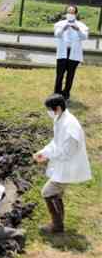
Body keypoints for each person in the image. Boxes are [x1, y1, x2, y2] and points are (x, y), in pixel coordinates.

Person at [32, 93, 92, 234]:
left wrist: (47, 156)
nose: (49, 113)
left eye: (49, 110)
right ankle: (58, 224)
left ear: (57, 108)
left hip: (69, 166)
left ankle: (57, 226)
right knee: (56, 194)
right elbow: (56, 142)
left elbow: (66, 152)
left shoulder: (70, 126)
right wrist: (43, 152)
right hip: (63, 164)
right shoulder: (60, 119)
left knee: (48, 192)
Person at [54, 5, 89, 102]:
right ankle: (57, 94)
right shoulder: (59, 24)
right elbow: (57, 35)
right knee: (59, 74)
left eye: (72, 12)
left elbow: (84, 37)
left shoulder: (81, 25)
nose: (70, 14)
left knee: (70, 75)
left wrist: (78, 30)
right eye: (69, 12)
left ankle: (66, 94)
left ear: (76, 14)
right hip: (62, 53)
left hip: (74, 54)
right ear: (66, 13)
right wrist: (63, 29)